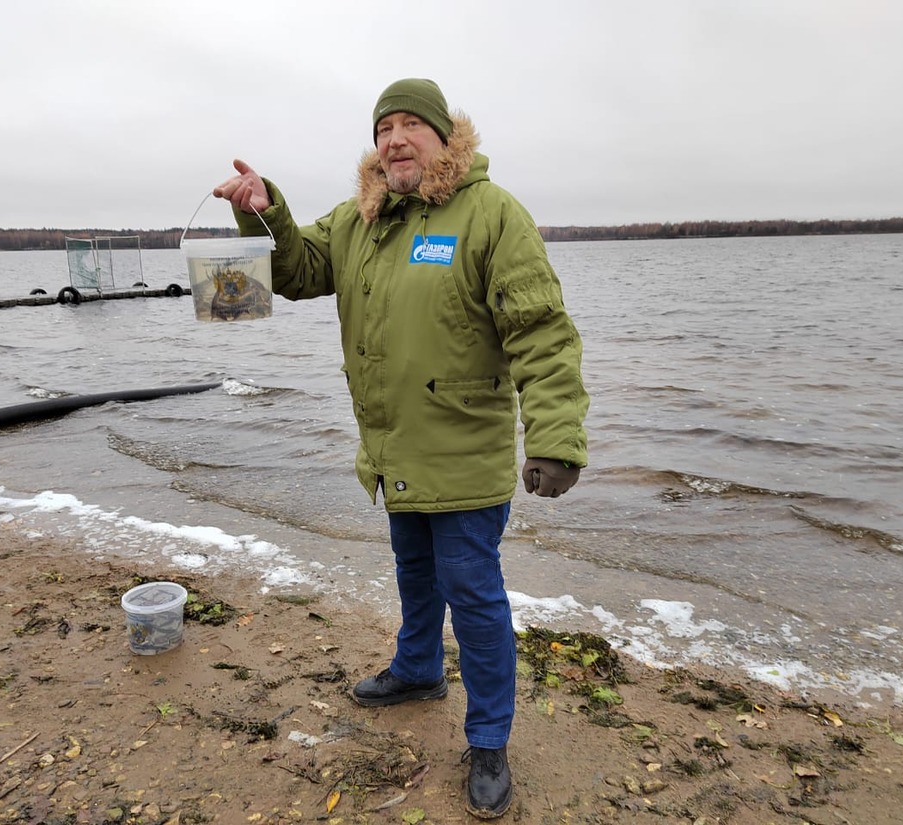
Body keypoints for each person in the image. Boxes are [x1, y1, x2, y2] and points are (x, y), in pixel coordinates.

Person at [214, 78, 589, 820]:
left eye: (411, 125)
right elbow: (296, 269)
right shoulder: (362, 219)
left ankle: (488, 740)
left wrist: (554, 436)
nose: (394, 139)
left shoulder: (491, 214)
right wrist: (265, 212)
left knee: (474, 596)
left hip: (464, 456)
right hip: (393, 452)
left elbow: (541, 329)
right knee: (414, 571)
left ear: (447, 138)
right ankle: (419, 669)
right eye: (384, 127)